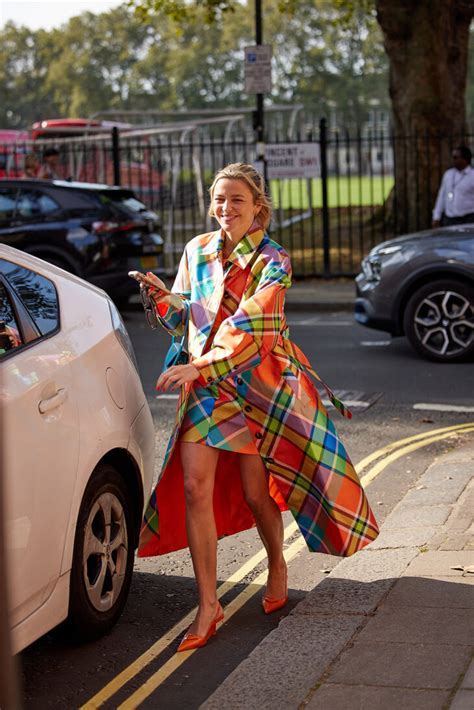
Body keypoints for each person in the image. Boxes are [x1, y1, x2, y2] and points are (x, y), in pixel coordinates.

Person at [137, 163, 379, 652]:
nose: (226, 208)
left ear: (258, 207)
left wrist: (202, 366)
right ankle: (208, 602)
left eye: (237, 200)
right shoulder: (197, 250)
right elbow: (190, 314)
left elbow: (253, 324)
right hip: (206, 388)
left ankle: (277, 562)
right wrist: (164, 300)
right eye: (219, 199)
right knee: (193, 486)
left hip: (257, 388)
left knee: (255, 492)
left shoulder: (275, 259)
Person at [432, 145, 474, 227]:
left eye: (456, 157)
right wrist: (436, 216)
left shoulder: (472, 175)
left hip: (468, 218)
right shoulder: (448, 174)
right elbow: (442, 196)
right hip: (450, 219)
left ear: (465, 159)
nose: (453, 160)